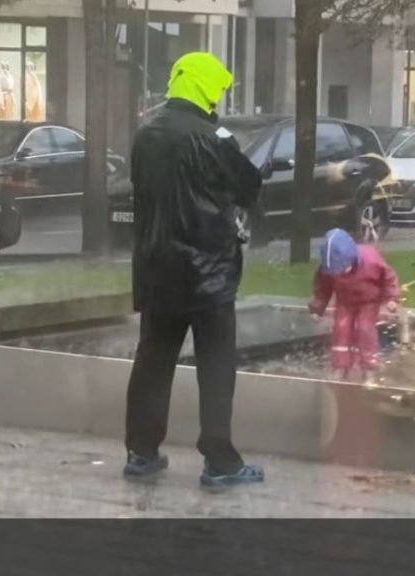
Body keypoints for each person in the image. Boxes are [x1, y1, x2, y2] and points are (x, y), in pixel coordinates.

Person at [124, 52, 267, 487]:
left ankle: (141, 452)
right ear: (205, 88)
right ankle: (219, 460)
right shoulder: (213, 137)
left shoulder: (145, 133)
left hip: (156, 269)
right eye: (217, 89)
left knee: (153, 359)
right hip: (209, 273)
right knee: (216, 365)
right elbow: (249, 186)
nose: (219, 97)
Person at [309, 229, 401, 383]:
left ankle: (369, 369)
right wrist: (317, 308)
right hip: (345, 302)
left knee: (365, 328)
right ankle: (340, 366)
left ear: (351, 259)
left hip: (369, 302)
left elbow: (388, 278)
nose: (339, 274)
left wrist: (392, 298)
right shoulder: (329, 269)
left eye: (342, 269)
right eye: (335, 273)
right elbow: (322, 288)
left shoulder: (371, 260)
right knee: (341, 328)